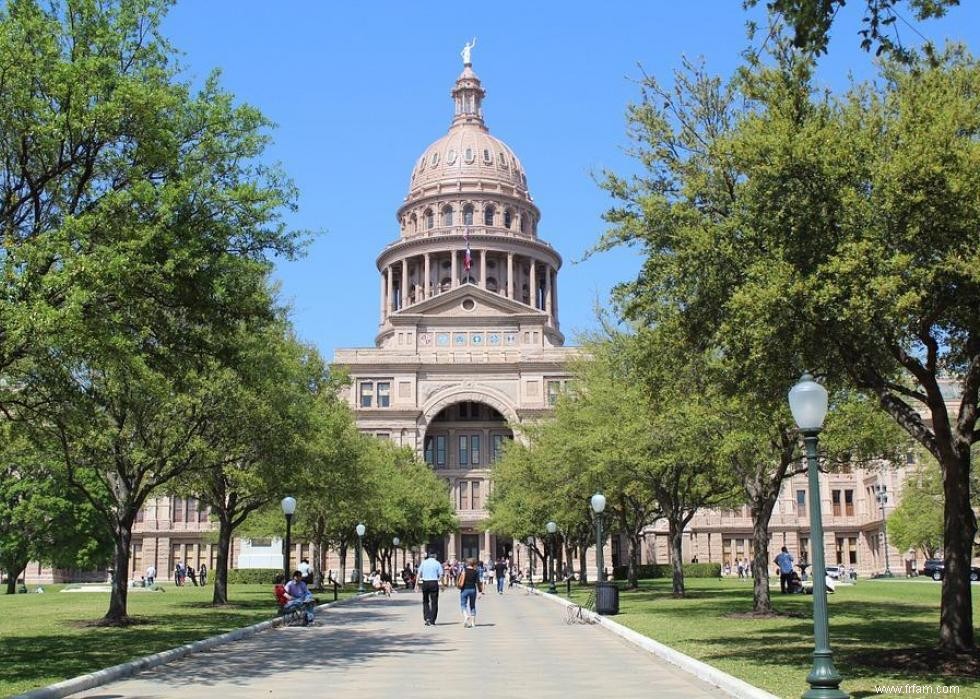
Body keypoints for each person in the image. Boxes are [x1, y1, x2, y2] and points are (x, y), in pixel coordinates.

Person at [457, 558, 483, 628]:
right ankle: (473, 623)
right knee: (472, 605)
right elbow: (478, 582)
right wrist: (480, 592)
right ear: (474, 564)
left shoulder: (464, 570)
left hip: (464, 589)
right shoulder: (475, 571)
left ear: (467, 563)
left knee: (463, 604)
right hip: (473, 590)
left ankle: (466, 616)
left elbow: (459, 578)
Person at [418, 551, 443, 626]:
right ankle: (432, 620)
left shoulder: (423, 563)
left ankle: (427, 618)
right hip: (434, 582)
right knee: (434, 602)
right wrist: (441, 584)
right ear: (435, 555)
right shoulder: (437, 563)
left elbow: (419, 574)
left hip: (425, 582)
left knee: (425, 601)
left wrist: (416, 585)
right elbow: (441, 575)